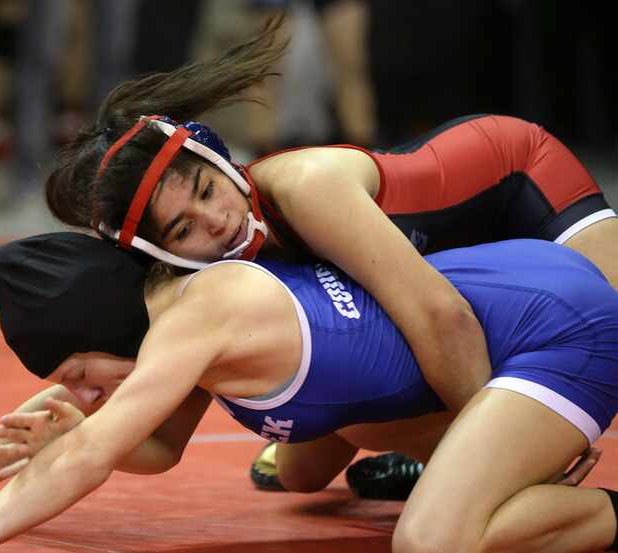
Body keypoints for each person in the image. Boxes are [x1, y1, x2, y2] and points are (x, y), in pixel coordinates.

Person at [42, 15, 618, 495]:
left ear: (219, 160)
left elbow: (441, 318)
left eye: (208, 191)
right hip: (428, 263)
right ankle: (435, 460)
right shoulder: (207, 269)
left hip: (518, 181)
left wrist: (495, 475)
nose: (217, 221)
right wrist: (75, 420)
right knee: (301, 473)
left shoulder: (307, 190)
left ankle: (443, 466)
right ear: (161, 251)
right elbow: (164, 439)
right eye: (184, 226)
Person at [0, 232, 618, 553]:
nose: (76, 393)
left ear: (105, 335)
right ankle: (483, 464)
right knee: (306, 469)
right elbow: (124, 441)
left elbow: (90, 450)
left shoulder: (200, 318)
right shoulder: (170, 320)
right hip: (491, 306)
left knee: (432, 542)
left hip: (557, 326)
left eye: (75, 373)